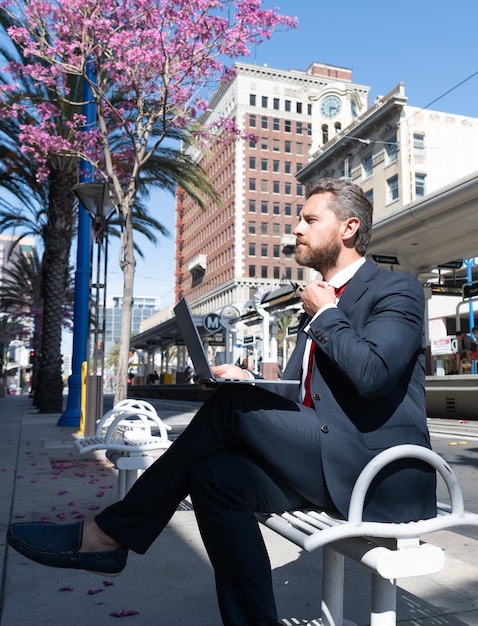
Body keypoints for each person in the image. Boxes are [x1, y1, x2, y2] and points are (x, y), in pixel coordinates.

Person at [7, 178, 436, 626]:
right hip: (331, 462)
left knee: (230, 408)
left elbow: (372, 375)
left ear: (348, 228)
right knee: (216, 476)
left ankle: (108, 535)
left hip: (381, 476)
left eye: (310, 220)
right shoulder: (316, 303)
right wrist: (248, 379)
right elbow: (302, 396)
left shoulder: (396, 290)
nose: (296, 229)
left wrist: (327, 314)